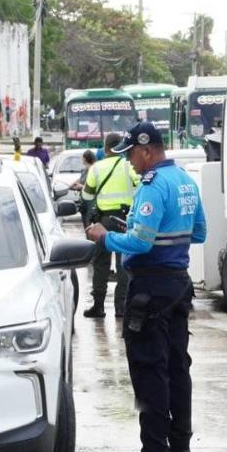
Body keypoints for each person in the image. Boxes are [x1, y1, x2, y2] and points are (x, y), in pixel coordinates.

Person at [86, 122, 207, 452]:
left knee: (148, 369)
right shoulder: (185, 180)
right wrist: (160, 234)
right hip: (178, 285)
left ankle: (154, 451)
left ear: (147, 150)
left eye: (131, 156)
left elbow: (140, 244)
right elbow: (199, 232)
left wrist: (104, 237)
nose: (130, 164)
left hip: (150, 289)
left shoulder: (153, 186)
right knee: (177, 367)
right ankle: (180, 448)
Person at [81, 132, 139, 318]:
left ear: (105, 148)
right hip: (125, 221)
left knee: (101, 264)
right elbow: (141, 185)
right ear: (120, 146)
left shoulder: (96, 168)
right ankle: (121, 307)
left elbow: (87, 196)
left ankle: (98, 306)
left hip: (104, 221)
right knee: (124, 263)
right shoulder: (128, 165)